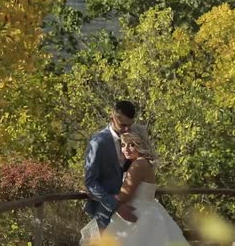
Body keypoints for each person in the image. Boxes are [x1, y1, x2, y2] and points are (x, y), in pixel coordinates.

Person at [82, 127, 190, 246]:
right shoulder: (144, 162)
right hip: (149, 212)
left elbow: (123, 197)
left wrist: (96, 195)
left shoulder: (138, 164)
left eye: (131, 145)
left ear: (140, 144)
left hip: (137, 215)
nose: (126, 149)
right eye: (123, 145)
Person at [81, 100, 138, 242]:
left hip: (128, 211)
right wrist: (116, 206)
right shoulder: (98, 142)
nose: (127, 130)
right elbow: (90, 182)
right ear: (112, 118)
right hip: (103, 213)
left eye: (130, 125)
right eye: (123, 125)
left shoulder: (131, 137)